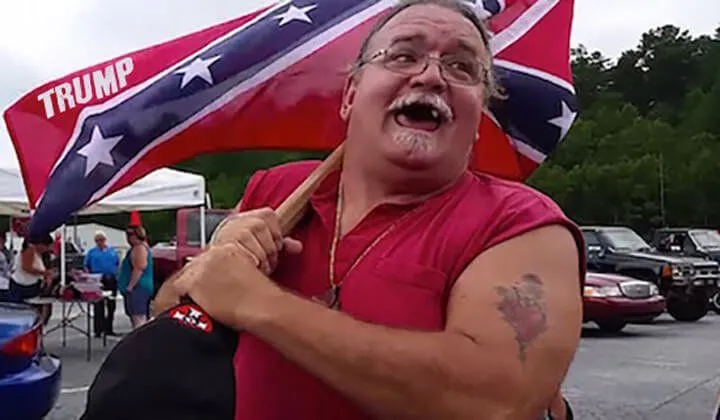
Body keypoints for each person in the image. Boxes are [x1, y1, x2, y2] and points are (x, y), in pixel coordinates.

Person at [82, 1, 584, 419]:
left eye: (462, 67)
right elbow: (174, 314)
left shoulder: (520, 224)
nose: (432, 75)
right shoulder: (275, 189)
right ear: (349, 96)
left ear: (478, 122)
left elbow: (497, 401)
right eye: (403, 55)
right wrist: (212, 267)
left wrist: (257, 301)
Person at [10, 235, 54, 324]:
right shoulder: (29, 251)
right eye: (48, 247)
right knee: (23, 314)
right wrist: (45, 273)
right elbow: (26, 268)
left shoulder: (38, 254)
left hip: (30, 286)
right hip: (21, 287)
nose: (48, 249)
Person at [84, 231, 120, 337]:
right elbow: (86, 265)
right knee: (98, 305)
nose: (99, 242)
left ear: (105, 240)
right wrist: (89, 277)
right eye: (97, 240)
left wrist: (116, 273)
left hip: (111, 278)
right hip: (98, 279)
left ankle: (109, 328)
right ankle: (98, 329)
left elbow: (117, 263)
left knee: (111, 304)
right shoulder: (92, 252)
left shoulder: (112, 251)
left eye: (101, 240)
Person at [117, 225, 153, 329]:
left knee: (138, 318)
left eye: (130, 234)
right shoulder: (139, 248)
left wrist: (130, 286)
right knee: (137, 317)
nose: (128, 238)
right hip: (138, 288)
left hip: (138, 288)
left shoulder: (139, 248)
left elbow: (139, 267)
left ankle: (141, 338)